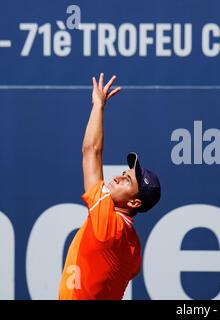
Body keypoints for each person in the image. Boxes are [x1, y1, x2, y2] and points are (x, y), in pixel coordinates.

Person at [58, 73, 161, 300]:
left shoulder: (108, 224)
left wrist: (98, 106)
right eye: (124, 173)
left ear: (134, 202)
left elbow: (91, 151)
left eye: (127, 180)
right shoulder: (132, 243)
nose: (118, 177)